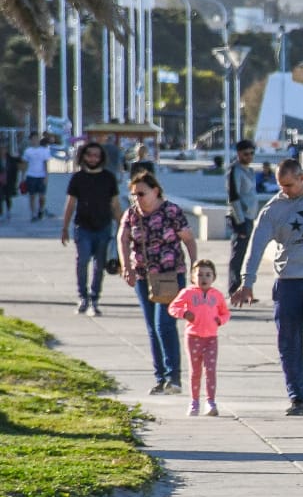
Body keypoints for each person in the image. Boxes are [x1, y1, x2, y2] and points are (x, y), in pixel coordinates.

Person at [232, 159, 303, 417]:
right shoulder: (273, 210)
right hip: (288, 282)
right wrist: (247, 282)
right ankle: (297, 397)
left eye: (289, 185)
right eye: (280, 185)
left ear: (301, 178)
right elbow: (256, 247)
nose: (285, 190)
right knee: (289, 341)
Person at [118, 172, 197, 394]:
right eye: (133, 194)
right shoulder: (132, 214)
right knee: (152, 327)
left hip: (170, 275)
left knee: (164, 324)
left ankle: (173, 377)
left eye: (141, 193)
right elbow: (122, 239)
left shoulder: (171, 211)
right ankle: (161, 377)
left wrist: (195, 267)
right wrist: (126, 267)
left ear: (156, 191)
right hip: (144, 277)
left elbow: (188, 239)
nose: (137, 198)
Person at [60, 141, 120, 315]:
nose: (93, 158)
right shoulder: (78, 178)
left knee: (99, 265)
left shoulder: (109, 178)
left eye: (96, 155)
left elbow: (115, 205)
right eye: (89, 155)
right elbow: (70, 204)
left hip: (104, 227)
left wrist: (125, 227)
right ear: (83, 156)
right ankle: (83, 297)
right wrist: (64, 227)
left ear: (101, 158)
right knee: (82, 261)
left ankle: (95, 298)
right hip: (83, 227)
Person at [168, 259, 231, 417]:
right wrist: (184, 313)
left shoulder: (216, 295)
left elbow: (225, 313)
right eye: (200, 274)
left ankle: (210, 402)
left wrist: (220, 320)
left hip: (211, 338)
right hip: (193, 337)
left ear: (214, 277)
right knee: (195, 371)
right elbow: (173, 307)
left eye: (208, 275)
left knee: (210, 370)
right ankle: (194, 402)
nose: (204, 278)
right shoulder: (187, 293)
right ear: (192, 277)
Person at [226, 140, 261, 296]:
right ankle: (234, 288)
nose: (249, 156)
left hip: (249, 216)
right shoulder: (235, 170)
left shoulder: (250, 171)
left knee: (245, 253)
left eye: (252, 153)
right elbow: (233, 197)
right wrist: (239, 222)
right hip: (239, 218)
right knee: (237, 253)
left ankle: (242, 288)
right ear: (239, 153)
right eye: (246, 153)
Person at [23, 133, 54, 220]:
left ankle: (41, 209)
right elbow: (25, 164)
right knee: (32, 196)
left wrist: (46, 176)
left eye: (36, 139)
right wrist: (23, 177)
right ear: (31, 140)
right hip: (31, 175)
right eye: (33, 139)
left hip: (41, 176)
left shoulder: (44, 150)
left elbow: (46, 164)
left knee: (42, 197)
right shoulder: (28, 151)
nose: (35, 140)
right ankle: (33, 214)